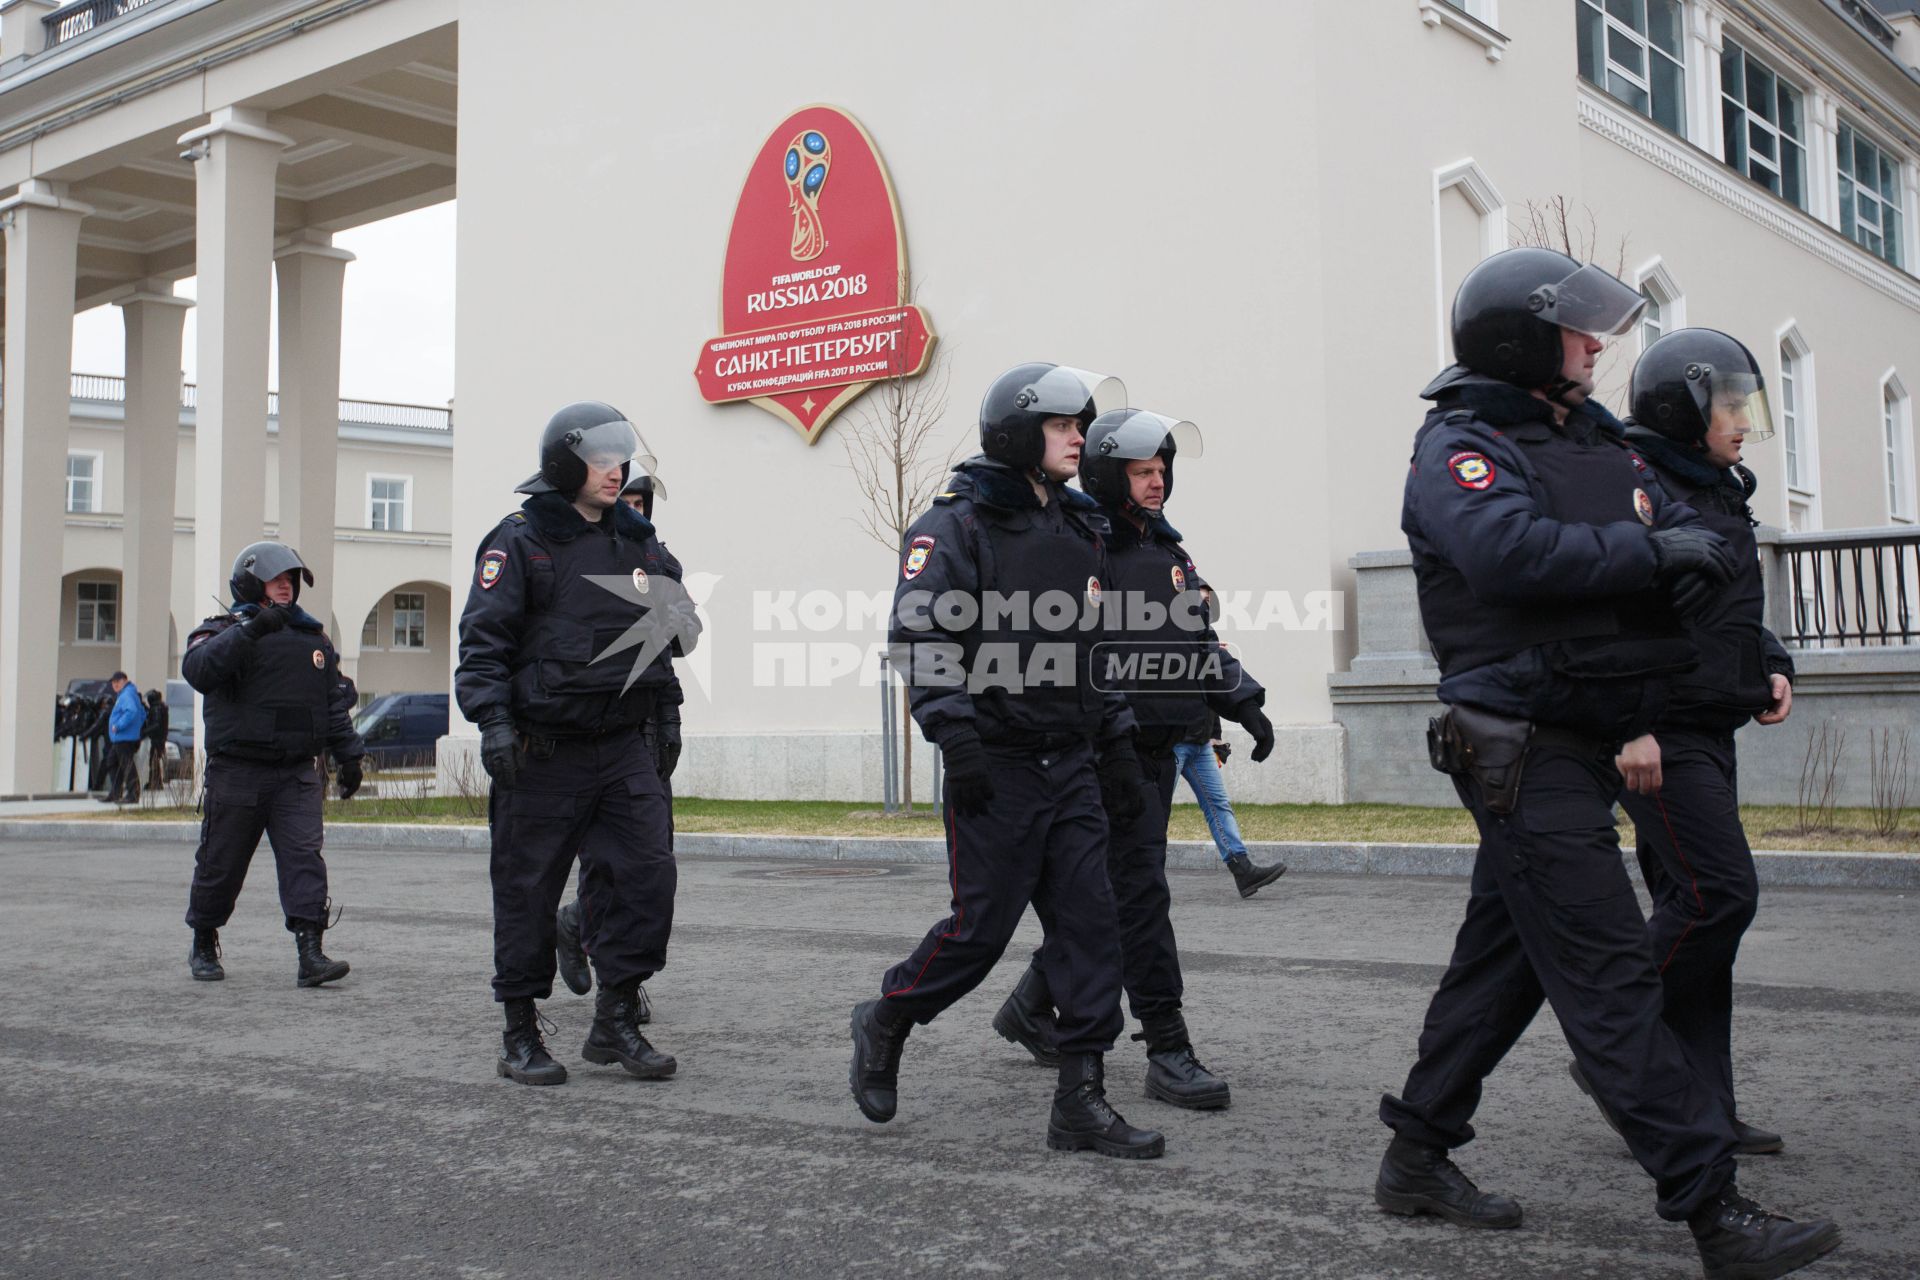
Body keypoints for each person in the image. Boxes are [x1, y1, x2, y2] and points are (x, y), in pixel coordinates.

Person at [1376, 247, 1840, 1280]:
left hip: (1581, 734)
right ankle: (1717, 1211)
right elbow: (1509, 554)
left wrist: (1660, 574)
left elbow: (1689, 538)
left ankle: (1415, 1153)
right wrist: (1644, 557)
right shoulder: (1459, 446)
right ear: (1524, 340)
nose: (1596, 347)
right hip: (1518, 745)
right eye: (1578, 332)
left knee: (1499, 971)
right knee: (1611, 974)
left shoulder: (1588, 439)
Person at [851, 362, 1163, 1159]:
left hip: (1075, 766)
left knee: (1092, 929)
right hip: (998, 767)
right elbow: (921, 641)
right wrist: (956, 736)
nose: (1076, 439)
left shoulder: (1080, 526)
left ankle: (1081, 1101)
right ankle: (888, 1016)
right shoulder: (955, 527)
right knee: (978, 933)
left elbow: (1096, 649)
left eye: (1080, 427)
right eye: (1062, 426)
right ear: (1020, 433)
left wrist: (1119, 741)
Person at [990, 407, 1281, 1111]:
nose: (1157, 484)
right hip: (1107, 753)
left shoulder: (1169, 553)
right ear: (1107, 474)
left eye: (1162, 472)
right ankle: (1168, 1045)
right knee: (1140, 896)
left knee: (1118, 895)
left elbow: (1197, 641)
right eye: (1142, 472)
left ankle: (1033, 1006)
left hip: (1159, 747)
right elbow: (1081, 654)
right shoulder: (1087, 547)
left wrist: (1242, 699)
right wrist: (1111, 740)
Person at [1567, 327, 1795, 1158]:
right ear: (1685, 406)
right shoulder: (1639, 484)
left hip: (1709, 722)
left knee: (1701, 926)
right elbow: (1612, 611)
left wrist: (1771, 661)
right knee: (1717, 896)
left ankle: (1702, 1109)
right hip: (1660, 729)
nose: (1743, 419)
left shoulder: (1720, 488)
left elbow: (1726, 606)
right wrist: (1630, 724)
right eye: (1730, 403)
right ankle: (1617, 1046)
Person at [457, 401, 698, 1087]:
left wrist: (668, 713)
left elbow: (672, 634)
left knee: (646, 876)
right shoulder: (521, 541)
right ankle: (520, 1030)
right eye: (600, 459)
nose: (615, 471)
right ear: (565, 464)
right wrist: (493, 723)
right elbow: (483, 646)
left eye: (621, 458)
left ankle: (615, 1019)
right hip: (543, 748)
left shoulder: (637, 538)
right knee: (527, 890)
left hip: (623, 743)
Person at [182, 542, 365, 987]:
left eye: (292, 579)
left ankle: (311, 953)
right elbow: (199, 671)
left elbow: (331, 704)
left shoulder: (313, 639)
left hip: (296, 773)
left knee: (305, 859)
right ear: (250, 581)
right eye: (277, 578)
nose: (287, 586)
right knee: (221, 864)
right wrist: (250, 630)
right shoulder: (221, 630)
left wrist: (350, 754)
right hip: (239, 772)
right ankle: (204, 939)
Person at [553, 465, 682, 1023]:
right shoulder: (581, 555)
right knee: (609, 855)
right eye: (622, 499)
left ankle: (582, 927)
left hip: (649, 711)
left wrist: (672, 715)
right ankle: (618, 982)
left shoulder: (652, 558)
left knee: (652, 858)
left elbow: (676, 640)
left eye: (640, 502)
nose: (630, 509)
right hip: (597, 721)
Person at [1173, 711, 1282, 897]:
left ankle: (1243, 870)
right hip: (1168, 743)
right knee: (1155, 808)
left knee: (1218, 804)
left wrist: (1215, 734)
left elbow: (1210, 692)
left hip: (1201, 743)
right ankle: (1140, 876)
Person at [96, 672, 146, 804]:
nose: (115, 684)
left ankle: (133, 795)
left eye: (118, 681)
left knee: (127, 765)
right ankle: (115, 792)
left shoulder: (127, 694)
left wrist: (118, 725)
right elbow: (142, 713)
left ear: (125, 681)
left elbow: (133, 711)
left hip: (124, 736)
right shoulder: (128, 693)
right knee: (112, 761)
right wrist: (135, 728)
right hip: (123, 737)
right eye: (113, 682)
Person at [144, 687, 171, 792]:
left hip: (157, 739)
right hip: (160, 738)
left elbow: (156, 724)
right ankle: (155, 782)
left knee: (154, 761)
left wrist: (145, 731)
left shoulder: (156, 708)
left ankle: (155, 783)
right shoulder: (160, 707)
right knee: (154, 760)